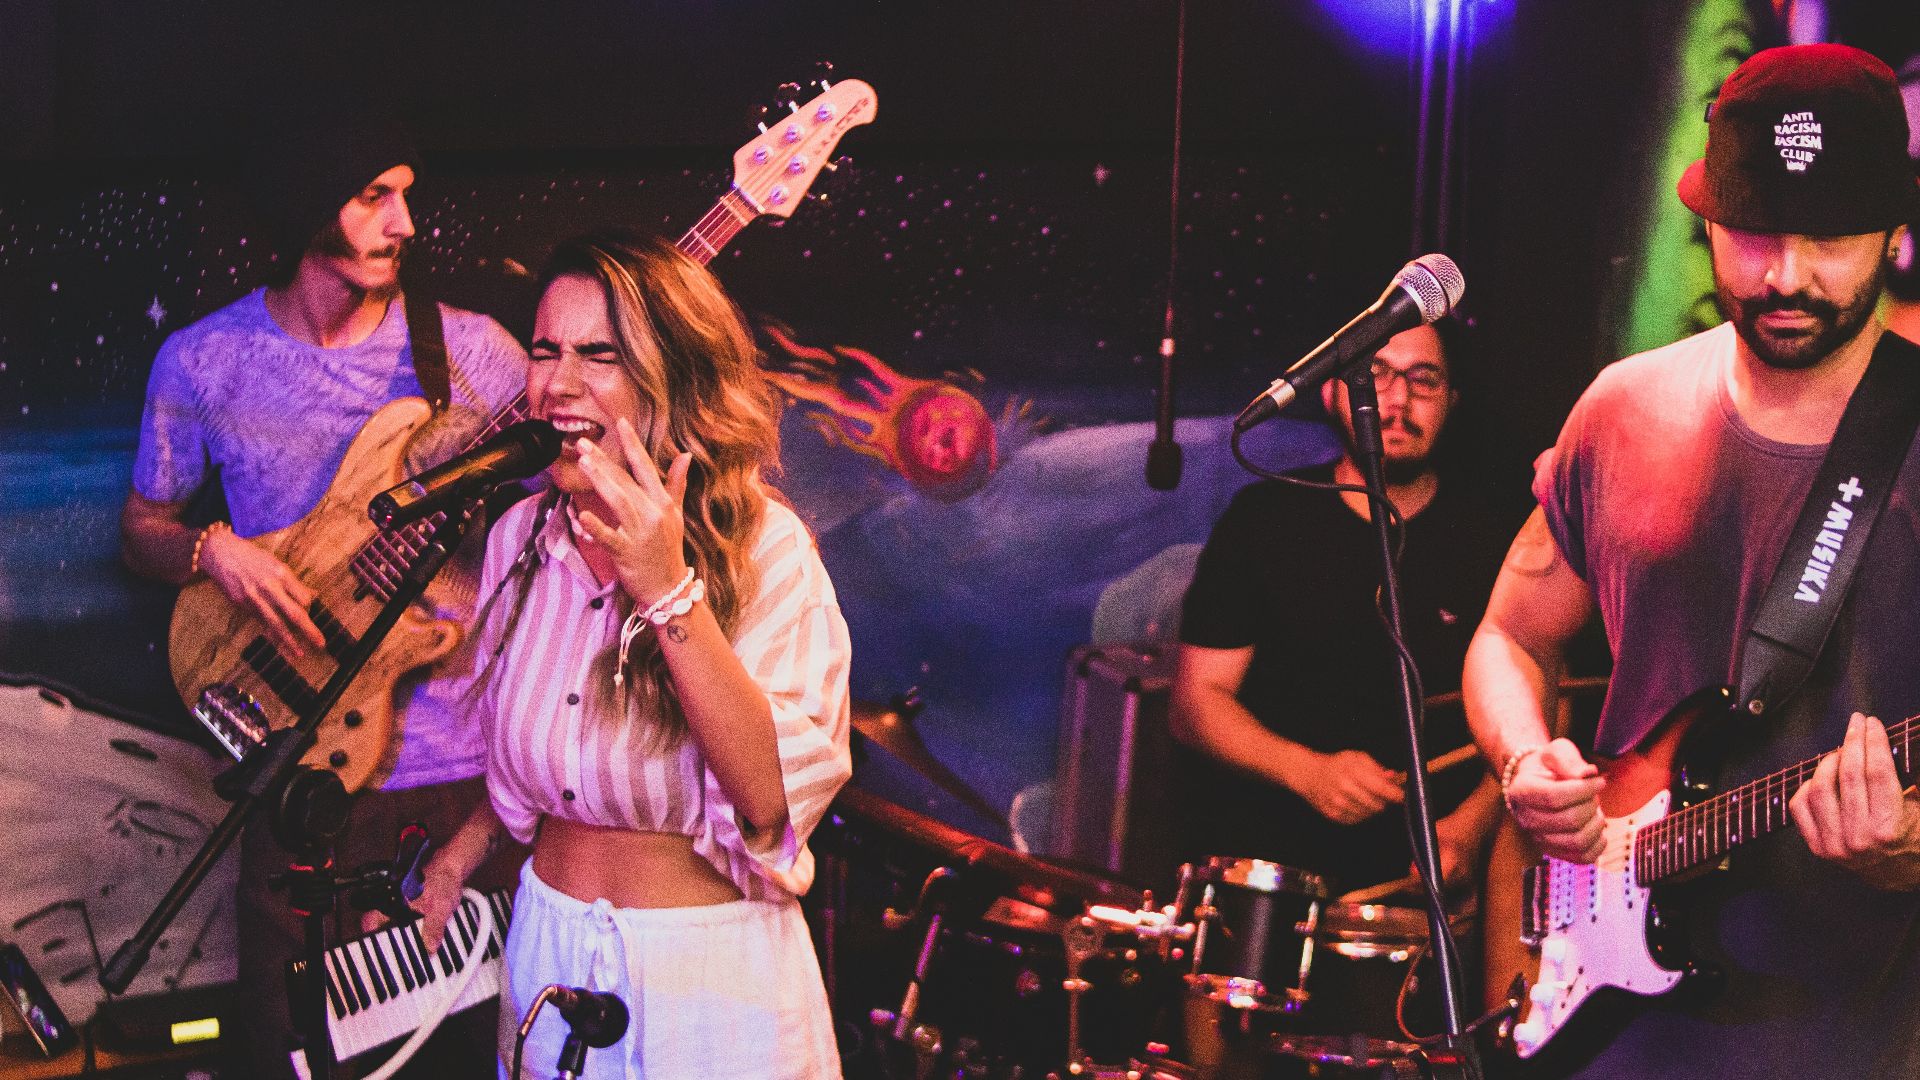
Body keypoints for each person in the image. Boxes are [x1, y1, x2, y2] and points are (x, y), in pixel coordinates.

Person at [1465, 44, 1920, 1078]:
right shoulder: (1622, 407)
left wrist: (1911, 850)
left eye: (1832, 239)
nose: (1787, 275)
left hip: (1843, 1042)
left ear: (1895, 233)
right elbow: (1508, 635)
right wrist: (1525, 761)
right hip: (1602, 1020)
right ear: (1706, 220)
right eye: (1754, 235)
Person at [119, 116, 530, 1078]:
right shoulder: (203, 359)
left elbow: (559, 536)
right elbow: (141, 533)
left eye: (407, 193)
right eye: (374, 196)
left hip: (464, 781)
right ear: (310, 208)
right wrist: (216, 553)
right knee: (300, 1055)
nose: (405, 222)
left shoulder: (477, 356)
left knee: (472, 1055)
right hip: (299, 774)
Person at [395, 230, 852, 1078]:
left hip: (706, 981)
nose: (557, 383)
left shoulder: (768, 551)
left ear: (669, 377)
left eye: (597, 355)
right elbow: (561, 768)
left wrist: (667, 589)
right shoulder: (519, 542)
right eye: (544, 351)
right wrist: (460, 855)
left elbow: (769, 804)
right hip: (549, 950)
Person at [1168, 321, 1512, 1047]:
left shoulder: (1497, 540)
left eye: (1423, 381)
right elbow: (1197, 703)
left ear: (1452, 399)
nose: (1397, 400)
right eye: (1376, 377)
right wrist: (1310, 772)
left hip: (1426, 905)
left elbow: (1544, 707)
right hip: (1265, 890)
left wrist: (1472, 828)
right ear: (1332, 392)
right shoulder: (1267, 521)